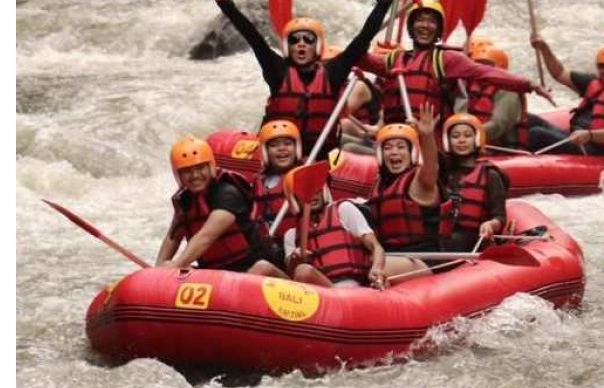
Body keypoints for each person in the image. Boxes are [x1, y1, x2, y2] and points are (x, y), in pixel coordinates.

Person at [206, 0, 405, 158]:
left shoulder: (333, 72)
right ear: (287, 47)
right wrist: (225, 2)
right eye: (294, 40)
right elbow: (251, 35)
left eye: (308, 40)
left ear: (317, 46)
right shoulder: (276, 70)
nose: (301, 45)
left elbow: (364, 37)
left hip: (320, 156)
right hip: (281, 156)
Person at [362, 0, 554, 128]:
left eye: (431, 22)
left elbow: (485, 73)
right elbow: (356, 56)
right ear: (411, 27)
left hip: (430, 139)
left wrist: (530, 85)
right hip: (395, 138)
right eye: (420, 20)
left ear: (438, 31)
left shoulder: (446, 60)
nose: (425, 26)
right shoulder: (393, 60)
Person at [156, 136, 282, 275]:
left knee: (261, 268)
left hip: (254, 269)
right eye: (187, 171)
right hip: (218, 275)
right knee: (181, 270)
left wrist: (175, 266)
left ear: (210, 166)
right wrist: (157, 270)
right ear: (178, 175)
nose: (195, 175)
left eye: (200, 168)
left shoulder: (228, 192)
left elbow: (206, 236)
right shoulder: (185, 200)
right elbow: (172, 237)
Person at [282, 169, 429, 289]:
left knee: (304, 271)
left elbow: (376, 247)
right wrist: (296, 260)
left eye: (317, 189)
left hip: (349, 286)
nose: (313, 195)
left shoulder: (344, 210)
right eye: (305, 192)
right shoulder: (291, 235)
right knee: (299, 270)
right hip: (316, 292)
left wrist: (377, 268)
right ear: (294, 199)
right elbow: (291, 277)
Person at [526, 37, 604, 156]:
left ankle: (515, 167)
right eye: (603, 67)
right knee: (527, 119)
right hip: (577, 138)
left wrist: (590, 135)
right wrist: (544, 48)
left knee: (537, 134)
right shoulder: (594, 83)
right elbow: (560, 73)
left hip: (598, 149)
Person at [368, 103, 443, 254]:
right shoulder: (378, 185)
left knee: (372, 264)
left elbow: (431, 166)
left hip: (423, 258)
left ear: (412, 153)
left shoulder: (419, 181)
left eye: (401, 147)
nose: (394, 152)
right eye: (387, 148)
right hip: (390, 255)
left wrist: (427, 136)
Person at [438, 113, 510, 253]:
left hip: (473, 238)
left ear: (477, 139)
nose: (461, 140)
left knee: (454, 241)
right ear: (447, 141)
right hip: (444, 236)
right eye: (455, 136)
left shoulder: (491, 175)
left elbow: (500, 217)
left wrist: (491, 224)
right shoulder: (443, 171)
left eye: (467, 135)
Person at [461, 45, 530, 150]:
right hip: (475, 138)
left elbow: (498, 125)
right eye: (477, 65)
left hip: (501, 148)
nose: (482, 70)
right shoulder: (469, 85)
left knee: (538, 133)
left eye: (487, 65)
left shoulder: (508, 90)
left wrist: (465, 137)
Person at [249, 120, 302, 242]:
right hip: (267, 242)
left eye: (288, 144)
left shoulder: (304, 173)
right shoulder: (258, 180)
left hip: (297, 240)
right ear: (265, 151)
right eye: (274, 145)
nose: (281, 148)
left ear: (297, 148)